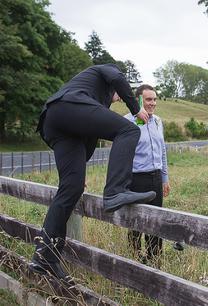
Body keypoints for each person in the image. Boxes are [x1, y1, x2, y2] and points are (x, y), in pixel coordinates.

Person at [31, 64, 157, 283]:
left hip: (53, 122)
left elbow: (88, 144)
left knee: (71, 188)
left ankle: (45, 256)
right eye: (117, 96)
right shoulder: (104, 71)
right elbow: (117, 77)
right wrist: (136, 108)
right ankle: (116, 191)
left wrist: (80, 173)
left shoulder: (94, 104)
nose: (117, 99)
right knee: (129, 130)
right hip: (66, 106)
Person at [124, 84, 174, 264]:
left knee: (156, 221)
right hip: (136, 178)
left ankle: (154, 260)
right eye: (148, 99)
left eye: (154, 99)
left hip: (155, 177)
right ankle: (135, 260)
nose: (153, 103)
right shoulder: (128, 121)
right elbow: (123, 155)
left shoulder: (158, 121)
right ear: (138, 100)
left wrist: (165, 177)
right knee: (135, 221)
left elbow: (162, 152)